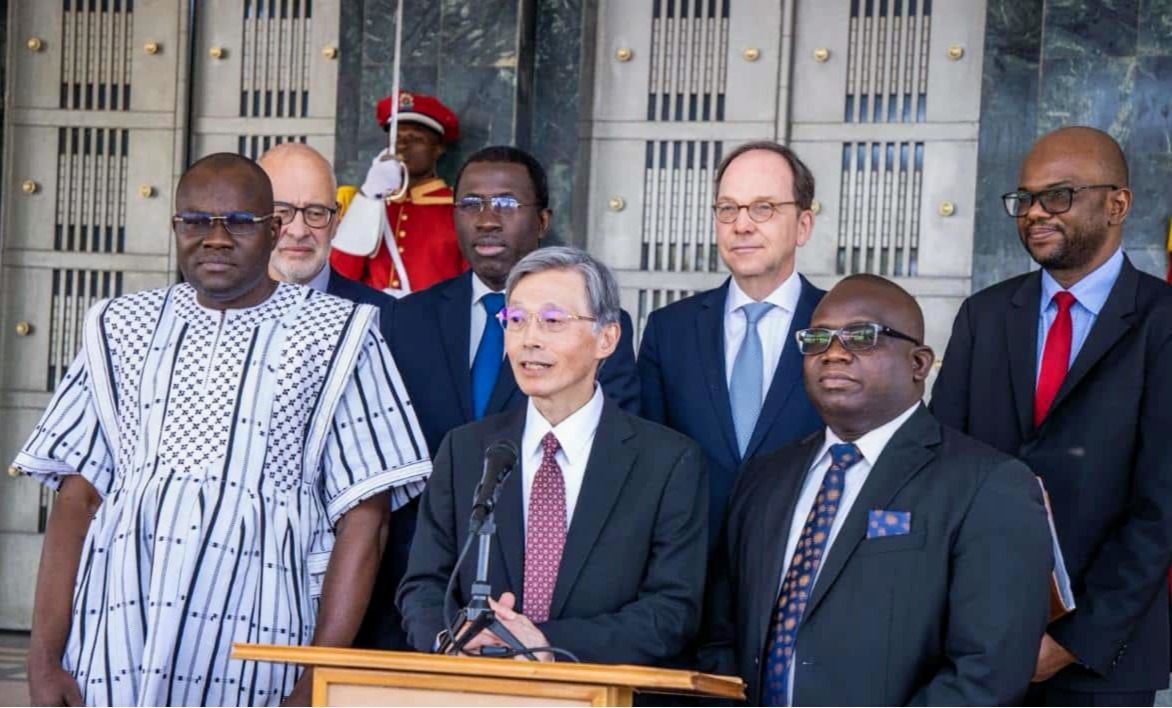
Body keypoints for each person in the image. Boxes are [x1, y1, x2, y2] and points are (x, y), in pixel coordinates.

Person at [14, 153, 431, 707]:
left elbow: (366, 518)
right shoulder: (117, 325)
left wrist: (318, 675)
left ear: (272, 230)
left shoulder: (340, 333)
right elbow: (77, 499)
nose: (215, 238)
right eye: (195, 221)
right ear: (175, 227)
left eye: (239, 222)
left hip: (262, 633)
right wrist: (43, 658)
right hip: (116, 631)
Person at [701, 274, 1053, 705]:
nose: (833, 353)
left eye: (861, 336)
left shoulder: (988, 485)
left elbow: (987, 670)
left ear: (918, 364)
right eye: (817, 339)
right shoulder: (764, 478)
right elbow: (721, 635)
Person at [932, 126, 1172, 706]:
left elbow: (1162, 509)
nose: (1036, 212)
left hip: (1102, 658)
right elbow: (941, 468)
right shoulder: (983, 317)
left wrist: (1074, 639)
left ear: (1118, 204)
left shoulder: (1162, 322)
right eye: (1025, 198)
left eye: (1058, 195)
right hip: (977, 648)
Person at [398, 247, 708, 665]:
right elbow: (423, 586)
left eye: (552, 321)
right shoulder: (466, 450)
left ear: (606, 338)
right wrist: (454, 638)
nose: (529, 339)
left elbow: (670, 612)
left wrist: (542, 642)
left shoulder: (668, 462)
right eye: (516, 320)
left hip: (601, 689)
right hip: (476, 685)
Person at [384, 145, 639, 458]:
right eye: (471, 204)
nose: (486, 221)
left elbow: (614, 444)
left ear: (542, 221)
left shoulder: (593, 321)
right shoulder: (408, 318)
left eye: (506, 204)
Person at [639, 141, 824, 544]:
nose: (741, 225)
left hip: (801, 562)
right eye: (727, 209)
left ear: (803, 225)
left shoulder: (838, 330)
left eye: (763, 208)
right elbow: (647, 464)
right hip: (690, 563)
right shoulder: (668, 331)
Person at [330, 91, 465, 295]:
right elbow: (340, 274)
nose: (402, 145)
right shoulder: (371, 202)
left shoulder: (457, 208)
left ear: (437, 149)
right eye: (397, 138)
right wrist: (369, 196)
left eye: (415, 138)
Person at [258, 142, 395, 337]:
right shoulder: (220, 310)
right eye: (282, 212)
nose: (298, 232)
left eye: (315, 213)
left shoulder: (381, 317)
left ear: (336, 219)